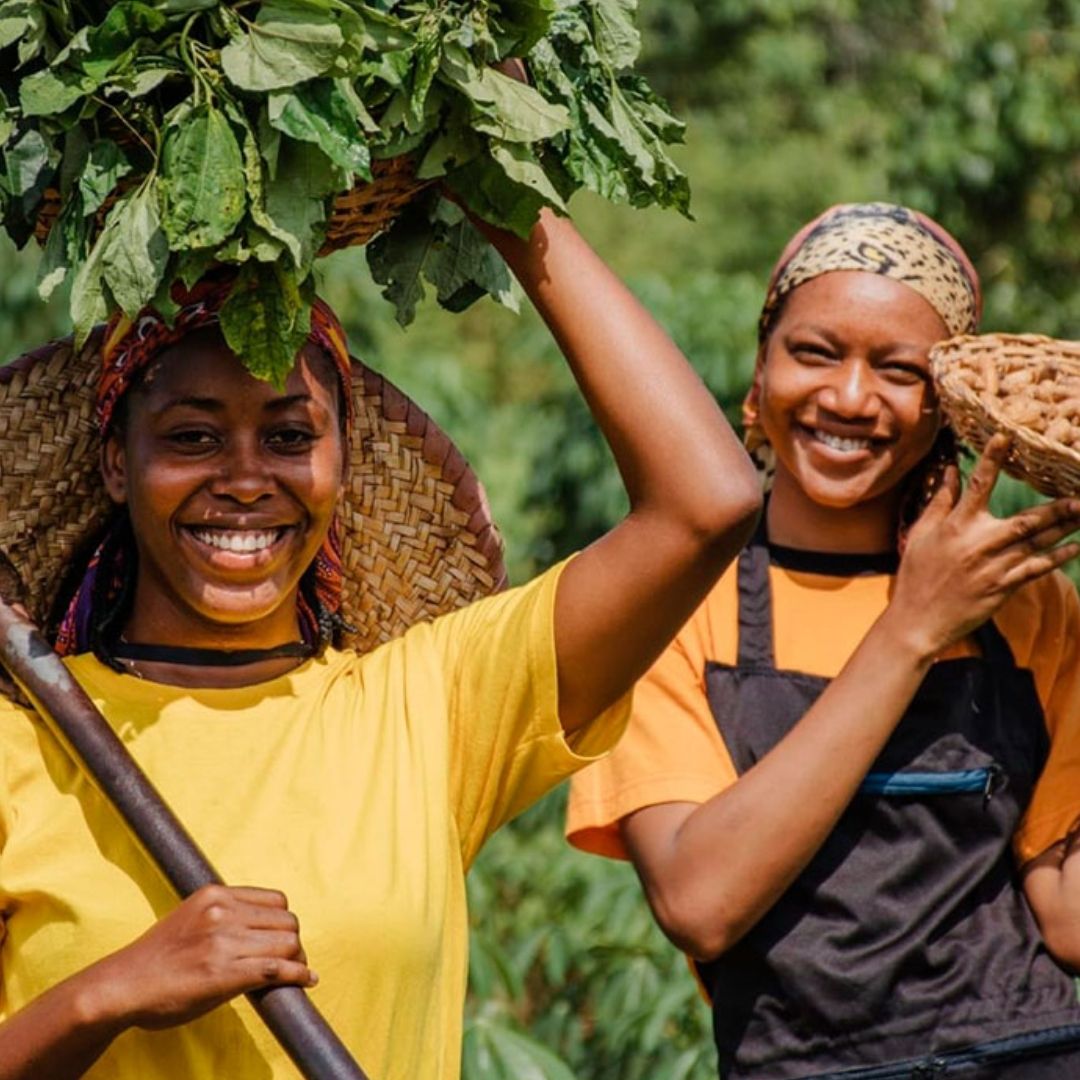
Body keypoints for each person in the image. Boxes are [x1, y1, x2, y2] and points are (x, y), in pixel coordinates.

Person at [0, 207, 762, 1080]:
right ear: (115, 465)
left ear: (342, 461)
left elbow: (707, 504)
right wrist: (109, 992)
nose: (246, 480)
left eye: (289, 437)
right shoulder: (22, 746)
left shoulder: (430, 704)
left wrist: (505, 192)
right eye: (191, 438)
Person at [567, 202, 1080, 1079]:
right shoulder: (670, 603)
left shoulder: (1025, 601)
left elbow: (1065, 915)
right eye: (814, 352)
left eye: (897, 370)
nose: (850, 398)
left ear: (944, 405)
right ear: (759, 376)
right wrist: (913, 629)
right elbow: (698, 900)